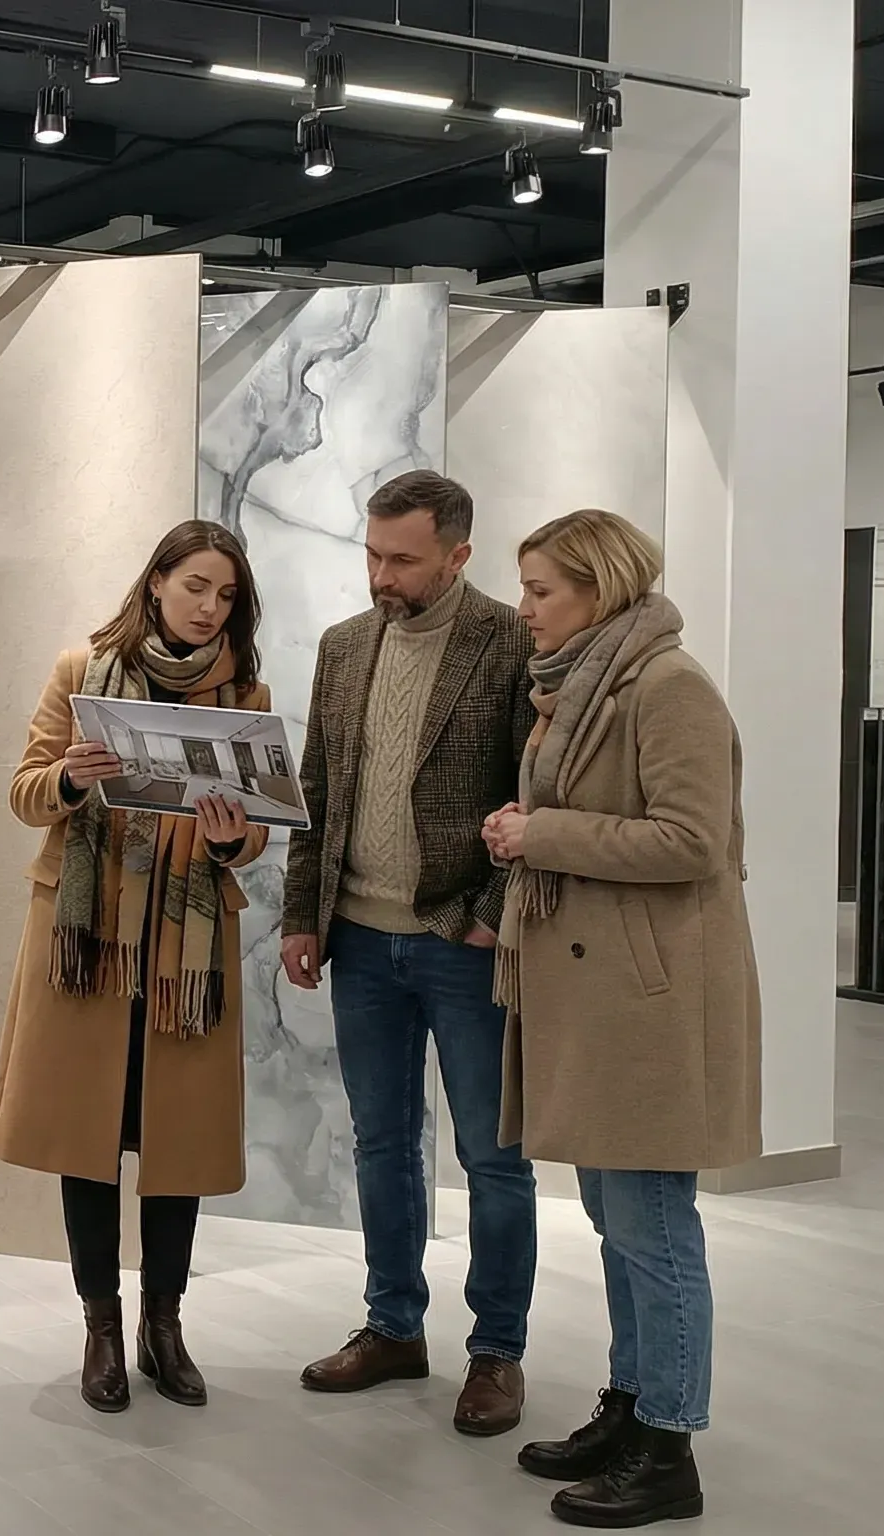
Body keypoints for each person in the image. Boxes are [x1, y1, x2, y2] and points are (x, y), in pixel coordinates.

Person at [483, 508, 758, 1529]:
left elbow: (693, 841)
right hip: (597, 996)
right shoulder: (581, 684)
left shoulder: (668, 686)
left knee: (654, 1225)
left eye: (540, 589)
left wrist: (542, 833)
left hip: (651, 999)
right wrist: (527, 832)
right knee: (616, 1220)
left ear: (597, 589)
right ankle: (631, 1407)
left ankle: (669, 1448)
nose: (524, 609)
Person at [0, 519, 273, 1414]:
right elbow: (26, 793)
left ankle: (164, 1326)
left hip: (188, 955)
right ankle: (102, 1327)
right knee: (89, 1139)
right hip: (89, 946)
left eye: (226, 595)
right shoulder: (83, 671)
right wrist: (71, 779)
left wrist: (230, 840)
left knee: (177, 1142)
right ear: (156, 582)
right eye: (195, 586)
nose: (209, 607)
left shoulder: (244, 693)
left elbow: (255, 832)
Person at [280, 469, 543, 1436]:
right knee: (382, 1142)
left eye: (403, 559)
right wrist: (303, 914)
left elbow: (536, 794)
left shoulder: (512, 642)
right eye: (372, 554)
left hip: (463, 942)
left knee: (492, 1155)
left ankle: (497, 1351)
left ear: (458, 555)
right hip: (358, 938)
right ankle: (393, 1327)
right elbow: (317, 788)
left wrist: (491, 914)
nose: (381, 576)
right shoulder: (345, 645)